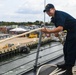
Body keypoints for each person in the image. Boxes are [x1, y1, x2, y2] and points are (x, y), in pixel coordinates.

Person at [41, 3, 76, 75]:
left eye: (49, 10)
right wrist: (56, 32)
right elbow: (59, 28)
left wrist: (49, 31)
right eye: (46, 11)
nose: (48, 12)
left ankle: (69, 71)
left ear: (53, 9)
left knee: (70, 50)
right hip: (71, 31)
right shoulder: (54, 18)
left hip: (74, 31)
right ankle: (66, 65)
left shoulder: (59, 15)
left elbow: (60, 28)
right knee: (65, 48)